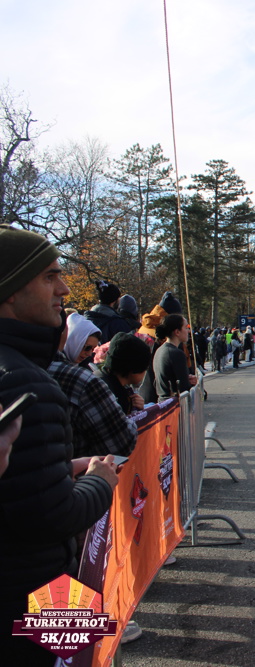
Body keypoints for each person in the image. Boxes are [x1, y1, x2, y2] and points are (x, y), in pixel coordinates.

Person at [0, 225, 119, 666]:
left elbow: (18, 490)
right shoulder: (27, 382)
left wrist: (56, 471)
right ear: (11, 291)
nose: (65, 289)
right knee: (76, 658)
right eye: (49, 276)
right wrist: (100, 480)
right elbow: (52, 517)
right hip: (37, 594)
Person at [48, 317, 139, 458]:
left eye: (93, 349)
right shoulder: (81, 380)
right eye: (86, 347)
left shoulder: (37, 366)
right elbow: (121, 441)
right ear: (72, 340)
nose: (89, 353)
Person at [97, 332, 152, 415]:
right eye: (145, 369)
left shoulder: (107, 380)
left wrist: (135, 406)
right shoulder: (107, 393)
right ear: (134, 370)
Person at [153, 314, 198, 400]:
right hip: (174, 403)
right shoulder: (176, 354)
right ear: (177, 332)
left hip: (163, 401)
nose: (188, 331)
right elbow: (184, 388)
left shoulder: (160, 350)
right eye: (186, 327)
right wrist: (192, 384)